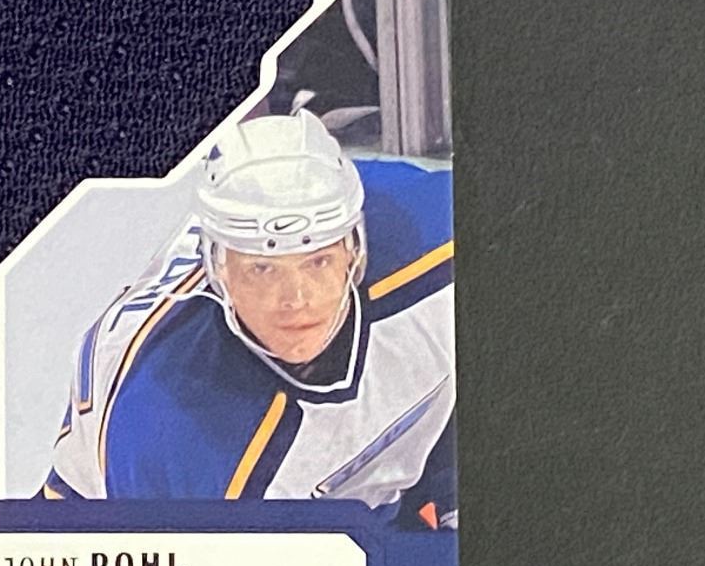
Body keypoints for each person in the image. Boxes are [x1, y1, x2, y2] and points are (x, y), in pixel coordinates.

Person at [44, 108, 455, 519]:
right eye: (262, 269)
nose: (295, 298)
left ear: (354, 250)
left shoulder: (441, 243)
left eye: (318, 262)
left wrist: (448, 488)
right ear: (218, 272)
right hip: (132, 517)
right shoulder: (166, 427)